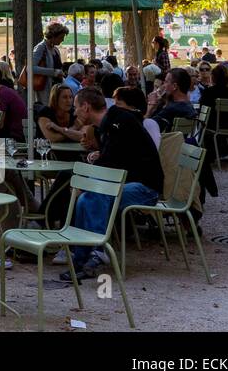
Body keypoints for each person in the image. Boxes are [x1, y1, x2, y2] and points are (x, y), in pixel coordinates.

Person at [62, 86, 162, 280]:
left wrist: (87, 179)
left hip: (146, 187)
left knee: (97, 193)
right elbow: (113, 160)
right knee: (86, 200)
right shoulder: (108, 124)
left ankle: (97, 252)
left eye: (76, 107)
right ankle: (82, 258)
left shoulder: (118, 121)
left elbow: (111, 165)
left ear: (86, 107)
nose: (74, 112)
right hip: (126, 183)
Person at [27, 22, 69, 108]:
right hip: (45, 90)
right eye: (61, 37)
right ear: (53, 36)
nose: (62, 40)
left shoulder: (55, 49)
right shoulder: (41, 47)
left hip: (56, 90)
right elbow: (30, 68)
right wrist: (53, 72)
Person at [145, 67, 197, 133]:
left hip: (167, 142)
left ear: (174, 86)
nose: (164, 85)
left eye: (166, 82)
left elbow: (145, 129)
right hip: (182, 142)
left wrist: (150, 107)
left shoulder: (172, 109)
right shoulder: (188, 106)